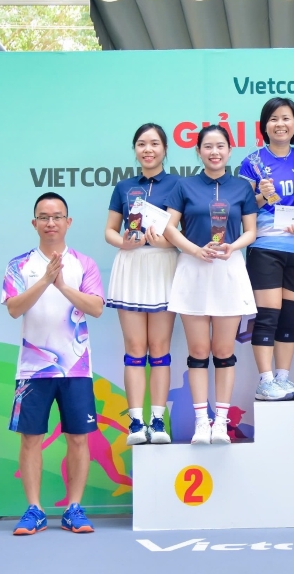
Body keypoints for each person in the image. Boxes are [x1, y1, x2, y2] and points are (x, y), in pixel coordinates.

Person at [2, 191, 105, 535]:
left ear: (68, 222)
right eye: (44, 217)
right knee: (30, 439)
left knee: (78, 439)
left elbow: (96, 307)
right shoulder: (19, 265)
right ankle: (35, 510)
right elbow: (14, 308)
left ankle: (74, 509)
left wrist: (61, 285)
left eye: (57, 216)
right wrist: (45, 280)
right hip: (32, 370)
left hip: (77, 369)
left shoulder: (84, 264)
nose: (51, 222)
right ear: (35, 223)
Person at [164, 125, 257, 444]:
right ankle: (202, 422)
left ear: (229, 151)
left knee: (224, 350)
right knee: (199, 351)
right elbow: (169, 227)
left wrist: (233, 246)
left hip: (228, 269)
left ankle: (221, 423)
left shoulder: (241, 187)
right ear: (198, 151)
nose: (214, 152)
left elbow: (251, 231)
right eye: (208, 146)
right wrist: (194, 250)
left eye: (220, 146)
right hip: (193, 269)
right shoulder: (184, 185)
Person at [104, 123, 180, 445]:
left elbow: (177, 233)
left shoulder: (178, 184)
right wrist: (123, 242)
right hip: (131, 266)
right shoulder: (124, 187)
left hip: (164, 266)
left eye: (154, 143)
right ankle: (136, 423)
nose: (148, 149)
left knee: (160, 349)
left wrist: (164, 241)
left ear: (165, 149)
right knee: (135, 350)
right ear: (135, 149)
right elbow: (109, 230)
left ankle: (158, 421)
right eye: (141, 144)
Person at [239, 98, 294, 401]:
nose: (280, 124)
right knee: (268, 315)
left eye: (286, 118)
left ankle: (283, 378)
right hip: (265, 247)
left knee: (290, 316)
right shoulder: (251, 162)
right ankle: (265, 381)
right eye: (274, 119)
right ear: (264, 125)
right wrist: (262, 196)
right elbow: (242, 208)